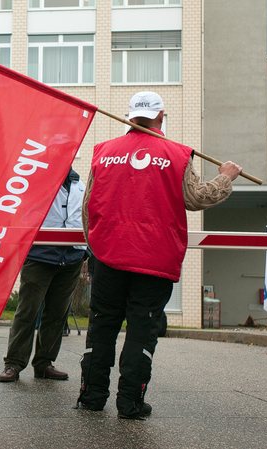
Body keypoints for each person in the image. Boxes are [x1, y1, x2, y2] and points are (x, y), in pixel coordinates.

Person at [76, 91, 242, 420]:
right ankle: (130, 403)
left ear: (130, 115)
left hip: (109, 257)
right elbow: (197, 198)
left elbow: (87, 208)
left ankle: (92, 396)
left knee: (102, 326)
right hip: (155, 262)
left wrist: (93, 248)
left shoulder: (103, 152)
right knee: (141, 330)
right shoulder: (177, 155)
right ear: (161, 116)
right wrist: (226, 176)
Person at [0, 168, 87, 383]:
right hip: (41, 255)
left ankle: (44, 363)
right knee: (27, 311)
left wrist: (86, 251)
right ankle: (14, 363)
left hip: (72, 256)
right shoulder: (38, 182)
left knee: (57, 314)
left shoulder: (81, 185)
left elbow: (87, 215)